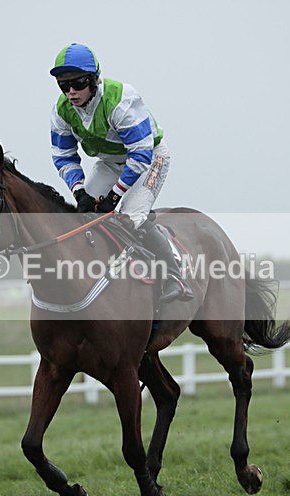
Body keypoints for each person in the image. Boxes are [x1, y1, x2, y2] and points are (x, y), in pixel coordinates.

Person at [49, 42, 193, 303]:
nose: (70, 91)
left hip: (149, 158)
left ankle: (175, 275)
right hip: (110, 162)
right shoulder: (61, 110)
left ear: (94, 79)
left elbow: (140, 154)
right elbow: (63, 156)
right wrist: (79, 191)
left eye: (78, 83)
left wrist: (113, 198)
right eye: (63, 85)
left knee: (129, 217)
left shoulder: (121, 98)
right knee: (82, 219)